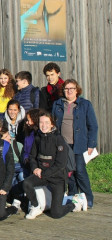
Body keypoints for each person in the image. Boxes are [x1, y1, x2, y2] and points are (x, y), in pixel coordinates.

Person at [24, 112, 86, 219]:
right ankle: (36, 206)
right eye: (41, 122)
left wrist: (44, 173)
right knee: (26, 183)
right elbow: (32, 157)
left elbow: (60, 164)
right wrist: (35, 168)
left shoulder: (59, 139)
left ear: (52, 124)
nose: (44, 125)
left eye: (46, 122)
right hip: (42, 175)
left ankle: (75, 203)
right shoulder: (38, 138)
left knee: (56, 213)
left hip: (57, 178)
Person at [52, 79, 98, 209]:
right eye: (66, 89)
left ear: (77, 90)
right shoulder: (58, 104)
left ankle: (88, 196)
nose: (69, 91)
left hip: (79, 144)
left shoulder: (85, 104)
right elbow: (54, 123)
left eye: (72, 88)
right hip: (63, 144)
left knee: (80, 170)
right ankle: (73, 196)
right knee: (68, 171)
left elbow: (93, 125)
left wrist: (91, 144)